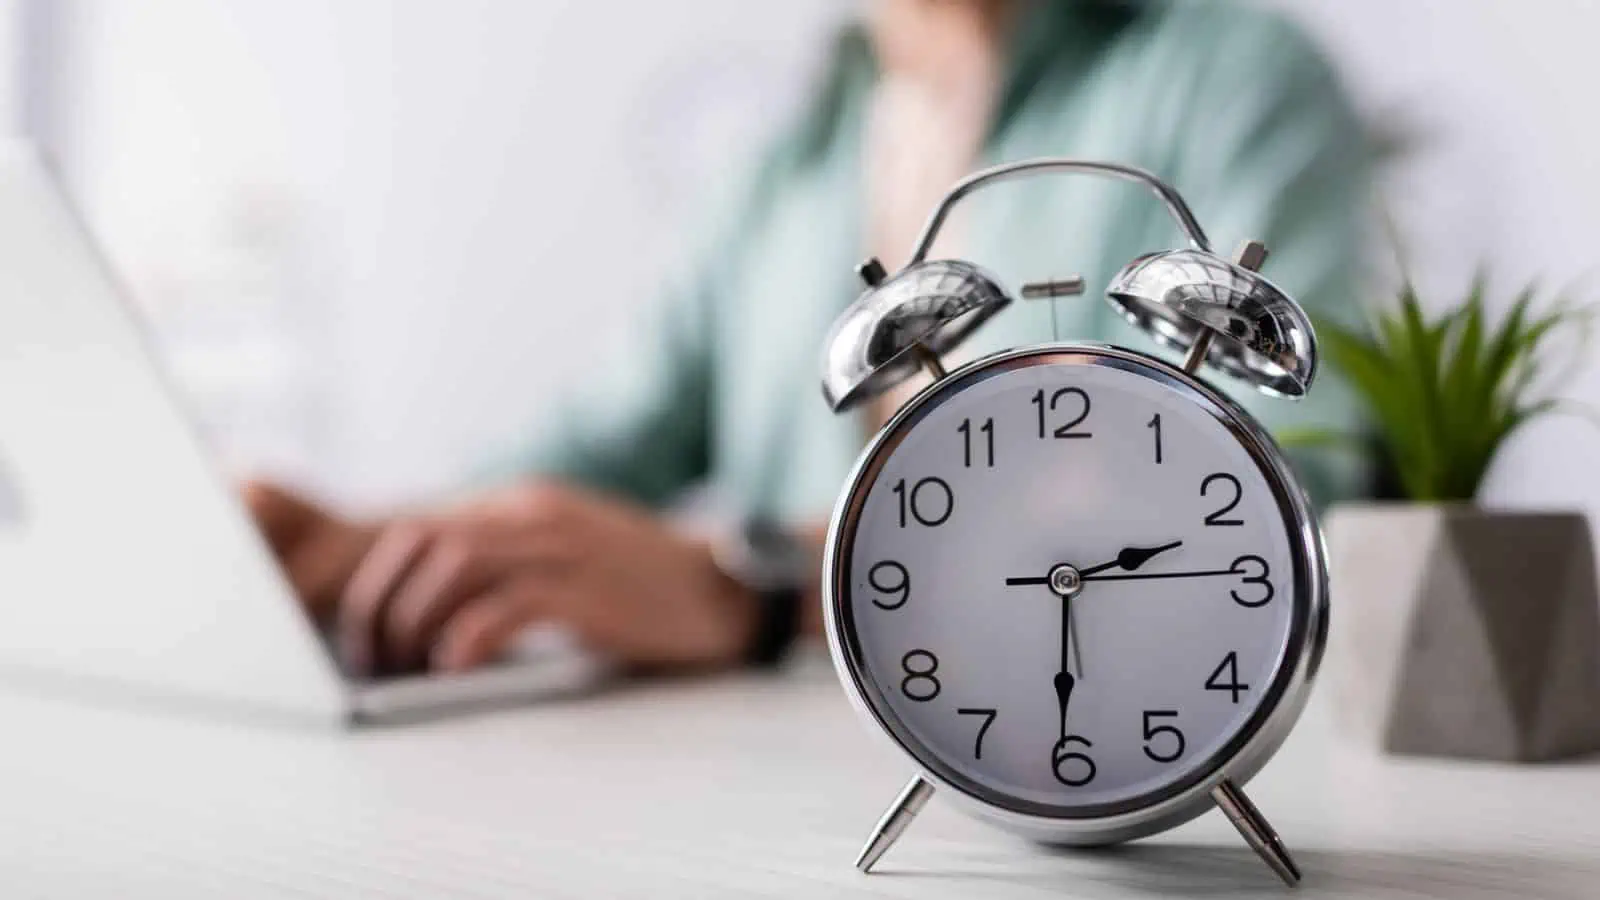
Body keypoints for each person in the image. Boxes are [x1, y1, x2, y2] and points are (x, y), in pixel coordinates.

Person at [247, 0, 1373, 678]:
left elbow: (1278, 494)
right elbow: (606, 448)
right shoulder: (783, 166)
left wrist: (754, 588)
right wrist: (370, 547)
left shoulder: (1231, 80)